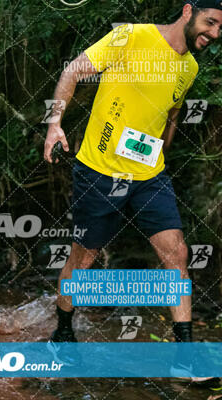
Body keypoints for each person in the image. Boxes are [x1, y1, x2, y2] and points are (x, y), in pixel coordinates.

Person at [43, 0, 221, 374]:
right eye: (210, 23)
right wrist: (55, 126)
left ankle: (184, 358)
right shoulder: (131, 35)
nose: (214, 35)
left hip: (149, 176)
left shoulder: (189, 67)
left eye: (220, 30)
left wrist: (160, 154)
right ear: (188, 11)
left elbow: (171, 114)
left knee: (177, 254)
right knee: (83, 258)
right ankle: (61, 333)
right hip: (99, 171)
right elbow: (73, 71)